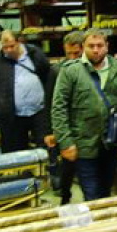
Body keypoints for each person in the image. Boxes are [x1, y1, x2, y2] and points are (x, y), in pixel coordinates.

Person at [51, 29, 117, 201]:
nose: (96, 50)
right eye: (91, 46)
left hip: (111, 146)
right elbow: (59, 108)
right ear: (83, 47)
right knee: (92, 194)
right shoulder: (71, 71)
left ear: (107, 46)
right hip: (84, 145)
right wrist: (66, 142)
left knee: (105, 191)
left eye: (99, 45)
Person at [0, 30, 54, 153]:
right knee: (16, 152)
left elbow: (48, 76)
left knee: (46, 149)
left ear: (19, 42)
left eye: (12, 46)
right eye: (5, 47)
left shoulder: (35, 54)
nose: (9, 50)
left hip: (39, 112)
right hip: (12, 117)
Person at [46, 30, 85, 204]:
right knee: (68, 164)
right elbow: (49, 102)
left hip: (85, 125)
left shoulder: (90, 70)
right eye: (69, 53)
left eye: (76, 54)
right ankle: (65, 196)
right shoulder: (57, 71)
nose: (72, 58)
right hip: (65, 125)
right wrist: (51, 130)